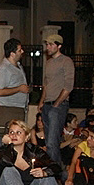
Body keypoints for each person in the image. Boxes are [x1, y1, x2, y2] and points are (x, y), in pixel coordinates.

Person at [38, 34, 75, 164]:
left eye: (51, 44)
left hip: (58, 105)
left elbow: (68, 86)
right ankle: (57, 170)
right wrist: (42, 101)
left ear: (59, 46)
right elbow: (46, 84)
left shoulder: (66, 61)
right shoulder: (48, 63)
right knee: (49, 141)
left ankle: (52, 174)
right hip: (47, 105)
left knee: (52, 142)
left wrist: (57, 104)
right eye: (47, 44)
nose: (48, 47)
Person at [0, 38, 29, 111]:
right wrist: (19, 88)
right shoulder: (4, 69)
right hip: (7, 108)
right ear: (12, 54)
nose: (22, 51)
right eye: (19, 50)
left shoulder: (18, 66)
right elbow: (0, 91)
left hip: (19, 107)